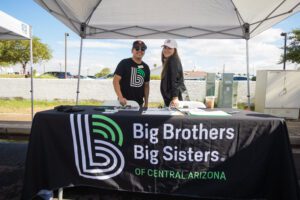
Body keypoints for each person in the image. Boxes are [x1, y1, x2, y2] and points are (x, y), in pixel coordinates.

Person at [113, 40, 150, 107]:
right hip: (124, 103)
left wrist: (146, 103)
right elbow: (115, 81)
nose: (140, 51)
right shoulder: (124, 63)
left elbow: (146, 86)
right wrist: (120, 97)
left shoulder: (146, 67)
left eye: (142, 49)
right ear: (132, 50)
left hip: (139, 104)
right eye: (137, 48)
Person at [160, 39, 187, 107]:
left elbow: (175, 80)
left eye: (169, 48)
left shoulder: (173, 61)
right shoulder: (170, 60)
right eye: (165, 47)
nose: (166, 50)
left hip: (175, 99)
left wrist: (175, 97)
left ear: (174, 50)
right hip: (171, 98)